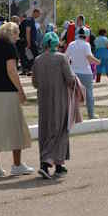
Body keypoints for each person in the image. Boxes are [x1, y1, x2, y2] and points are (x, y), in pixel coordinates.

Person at [0, 21, 34, 177]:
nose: (18, 37)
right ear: (11, 33)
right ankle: (17, 164)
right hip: (7, 92)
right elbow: (11, 70)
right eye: (17, 34)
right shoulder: (9, 47)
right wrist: (21, 91)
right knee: (15, 127)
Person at [32, 31, 77, 179]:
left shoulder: (38, 60)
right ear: (56, 44)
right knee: (59, 128)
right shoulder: (62, 58)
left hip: (44, 100)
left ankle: (59, 165)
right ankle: (47, 163)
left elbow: (35, 83)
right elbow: (70, 79)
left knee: (45, 130)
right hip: (60, 99)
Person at [66, 27, 99, 118]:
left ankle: (72, 115)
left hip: (73, 72)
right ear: (87, 36)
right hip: (86, 73)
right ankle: (91, 115)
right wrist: (97, 61)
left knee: (73, 95)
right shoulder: (86, 45)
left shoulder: (71, 44)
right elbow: (89, 57)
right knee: (89, 94)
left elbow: (66, 57)